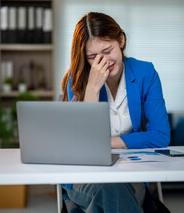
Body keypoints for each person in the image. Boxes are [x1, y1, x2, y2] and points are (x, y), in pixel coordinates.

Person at [61, 12, 171, 213]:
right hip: (85, 175)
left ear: (121, 40)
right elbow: (82, 146)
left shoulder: (145, 73)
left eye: (107, 50)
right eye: (93, 57)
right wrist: (92, 89)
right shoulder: (76, 79)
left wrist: (106, 142)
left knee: (113, 189)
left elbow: (161, 136)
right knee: (108, 188)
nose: (103, 61)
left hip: (130, 171)